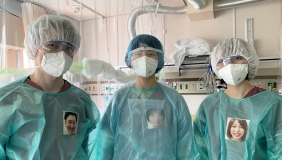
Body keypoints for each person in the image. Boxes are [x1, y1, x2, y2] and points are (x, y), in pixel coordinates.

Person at [0, 14, 100, 159]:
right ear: (34, 49)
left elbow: (87, 147)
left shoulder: (82, 101)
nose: (62, 53)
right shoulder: (7, 100)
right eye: (53, 45)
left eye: (69, 48)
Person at [93, 34, 194, 160]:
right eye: (138, 54)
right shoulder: (120, 98)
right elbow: (106, 139)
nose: (144, 58)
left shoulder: (173, 99)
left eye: (151, 54)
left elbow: (185, 142)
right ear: (130, 59)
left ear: (160, 59)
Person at [193, 38, 282, 159]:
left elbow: (278, 150)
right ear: (215, 67)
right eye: (222, 60)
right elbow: (199, 148)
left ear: (250, 61)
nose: (229, 64)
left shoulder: (272, 103)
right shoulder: (209, 105)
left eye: (237, 58)